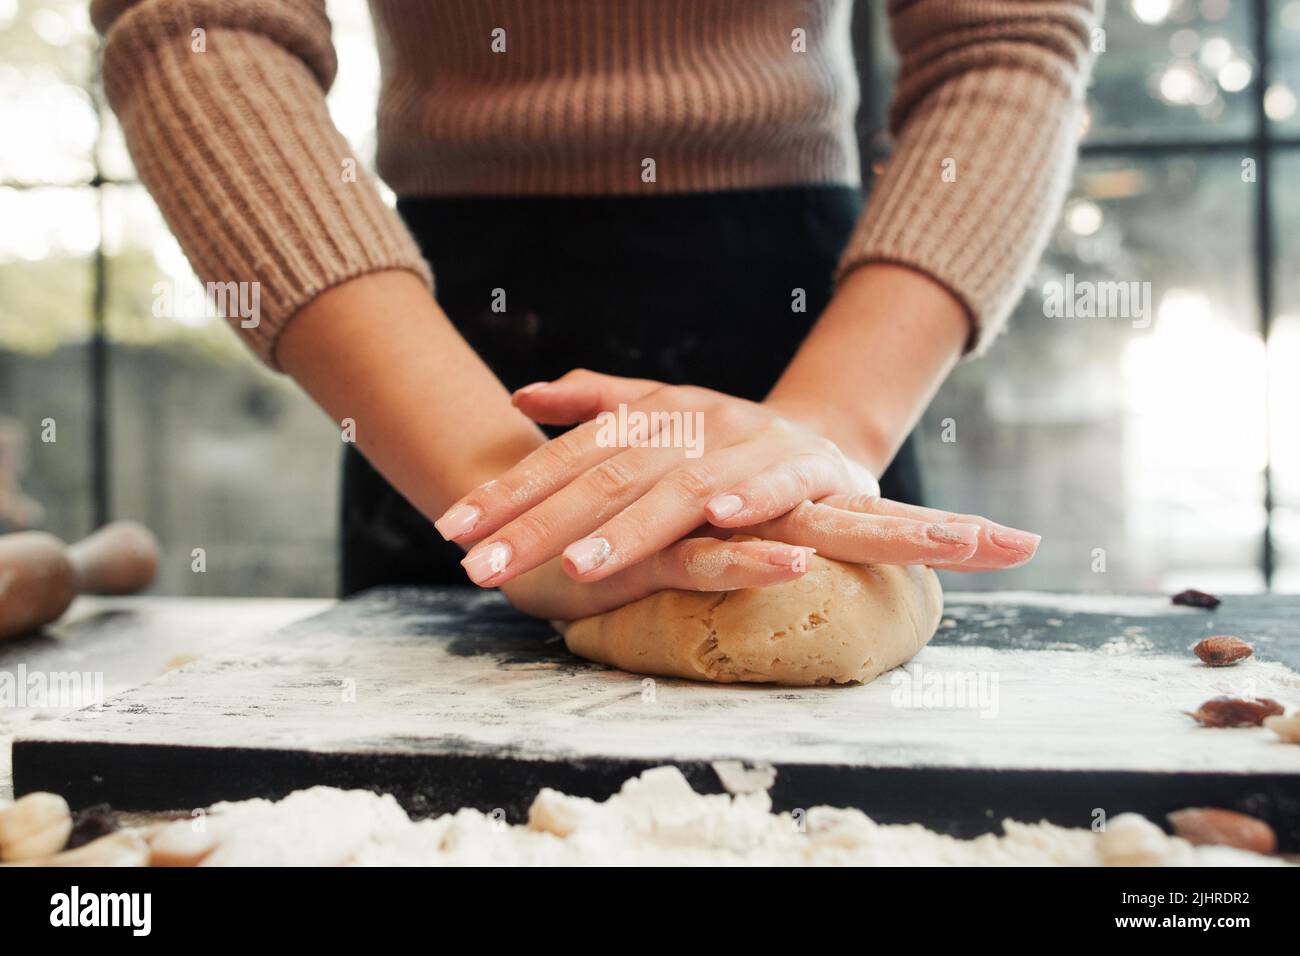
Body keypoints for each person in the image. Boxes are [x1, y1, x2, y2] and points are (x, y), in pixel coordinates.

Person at [92, 0, 1100, 620]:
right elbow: (198, 23)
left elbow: (1005, 39)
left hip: (821, 324)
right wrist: (502, 490)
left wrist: (826, 429)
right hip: (425, 345)